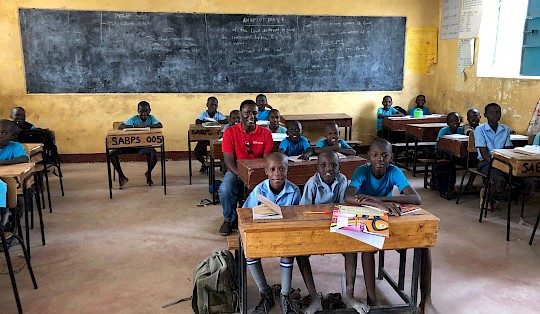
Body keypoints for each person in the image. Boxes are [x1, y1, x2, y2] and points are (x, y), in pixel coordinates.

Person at [342, 139, 432, 313]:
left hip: (387, 216)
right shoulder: (362, 170)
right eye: (375, 155)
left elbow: (415, 199)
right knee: (368, 244)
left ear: (391, 157)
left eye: (385, 155)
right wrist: (376, 204)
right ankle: (372, 298)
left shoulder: (394, 171)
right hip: (367, 217)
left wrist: (379, 200)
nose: (380, 159)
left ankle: (426, 299)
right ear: (368, 156)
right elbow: (349, 196)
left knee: (424, 242)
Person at [242, 152, 301, 314]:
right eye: (273, 169)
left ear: (287, 170)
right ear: (266, 172)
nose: (277, 174)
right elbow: (246, 215)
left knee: (289, 252)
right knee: (250, 253)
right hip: (262, 235)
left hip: (284, 236)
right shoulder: (259, 191)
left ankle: (284, 295)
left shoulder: (294, 191)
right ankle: (265, 293)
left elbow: (297, 218)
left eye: (282, 169)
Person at [297, 151, 347, 314]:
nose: (329, 169)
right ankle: (314, 296)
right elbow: (304, 211)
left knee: (352, 249)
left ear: (339, 167)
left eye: (334, 165)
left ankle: (349, 292)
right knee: (301, 254)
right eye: (323, 165)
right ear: (317, 168)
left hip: (335, 227)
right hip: (315, 228)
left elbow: (342, 207)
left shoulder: (342, 180)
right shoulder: (312, 183)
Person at [219, 100, 273, 236]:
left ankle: (255, 217)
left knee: (268, 188)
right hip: (236, 170)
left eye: (254, 113)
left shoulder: (266, 134)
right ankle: (229, 219)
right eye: (247, 113)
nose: (251, 116)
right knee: (225, 189)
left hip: (258, 172)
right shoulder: (230, 132)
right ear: (240, 114)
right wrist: (242, 175)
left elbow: (266, 160)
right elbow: (228, 160)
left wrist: (253, 177)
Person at [112, 101, 163, 189]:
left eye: (146, 111)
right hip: (131, 146)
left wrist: (146, 126)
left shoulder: (151, 118)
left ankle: (148, 173)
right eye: (141, 111)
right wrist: (136, 127)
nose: (144, 113)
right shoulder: (134, 118)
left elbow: (160, 125)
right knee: (112, 154)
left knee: (154, 154)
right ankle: (122, 177)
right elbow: (121, 126)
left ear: (149, 111)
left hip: (144, 146)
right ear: (138, 111)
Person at [474, 103, 513, 209]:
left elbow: (508, 149)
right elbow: (484, 154)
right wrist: (498, 164)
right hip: (485, 162)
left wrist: (503, 163)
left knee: (514, 177)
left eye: (498, 112)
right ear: (485, 115)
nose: (495, 115)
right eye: (492, 113)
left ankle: (494, 195)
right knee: (500, 179)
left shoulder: (505, 129)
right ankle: (487, 196)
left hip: (502, 161)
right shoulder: (480, 129)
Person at [0, 120, 29, 226]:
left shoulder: (14, 146)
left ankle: (9, 226)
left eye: (4, 133)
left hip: (12, 184)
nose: (0, 136)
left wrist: (2, 163)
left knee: (18, 200)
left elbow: (24, 158)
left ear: (12, 135)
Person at [195, 96, 228, 174]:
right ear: (207, 105)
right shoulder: (204, 114)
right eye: (211, 104)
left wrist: (215, 122)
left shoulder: (219, 114)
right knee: (197, 152)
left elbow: (226, 120)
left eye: (215, 105)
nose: (213, 107)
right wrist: (207, 123)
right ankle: (204, 164)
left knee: (221, 149)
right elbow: (197, 121)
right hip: (205, 138)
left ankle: (221, 164)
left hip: (216, 138)